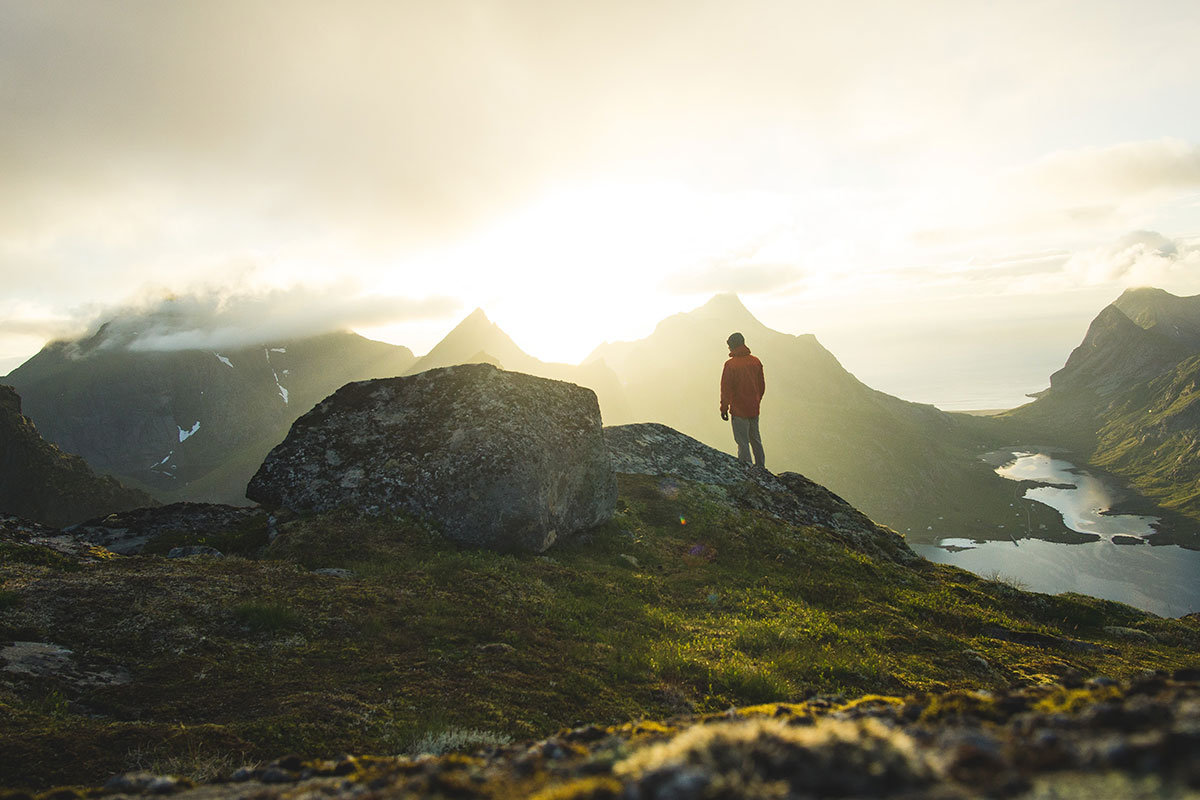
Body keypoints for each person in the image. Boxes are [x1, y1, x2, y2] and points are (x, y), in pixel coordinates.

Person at [719, 332, 766, 468]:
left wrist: (724, 408)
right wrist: (757, 400)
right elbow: (761, 386)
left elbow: (726, 389)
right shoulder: (755, 361)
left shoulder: (731, 365)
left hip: (739, 410)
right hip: (754, 408)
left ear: (732, 346)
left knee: (742, 442)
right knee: (756, 440)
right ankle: (761, 468)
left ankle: (747, 471)